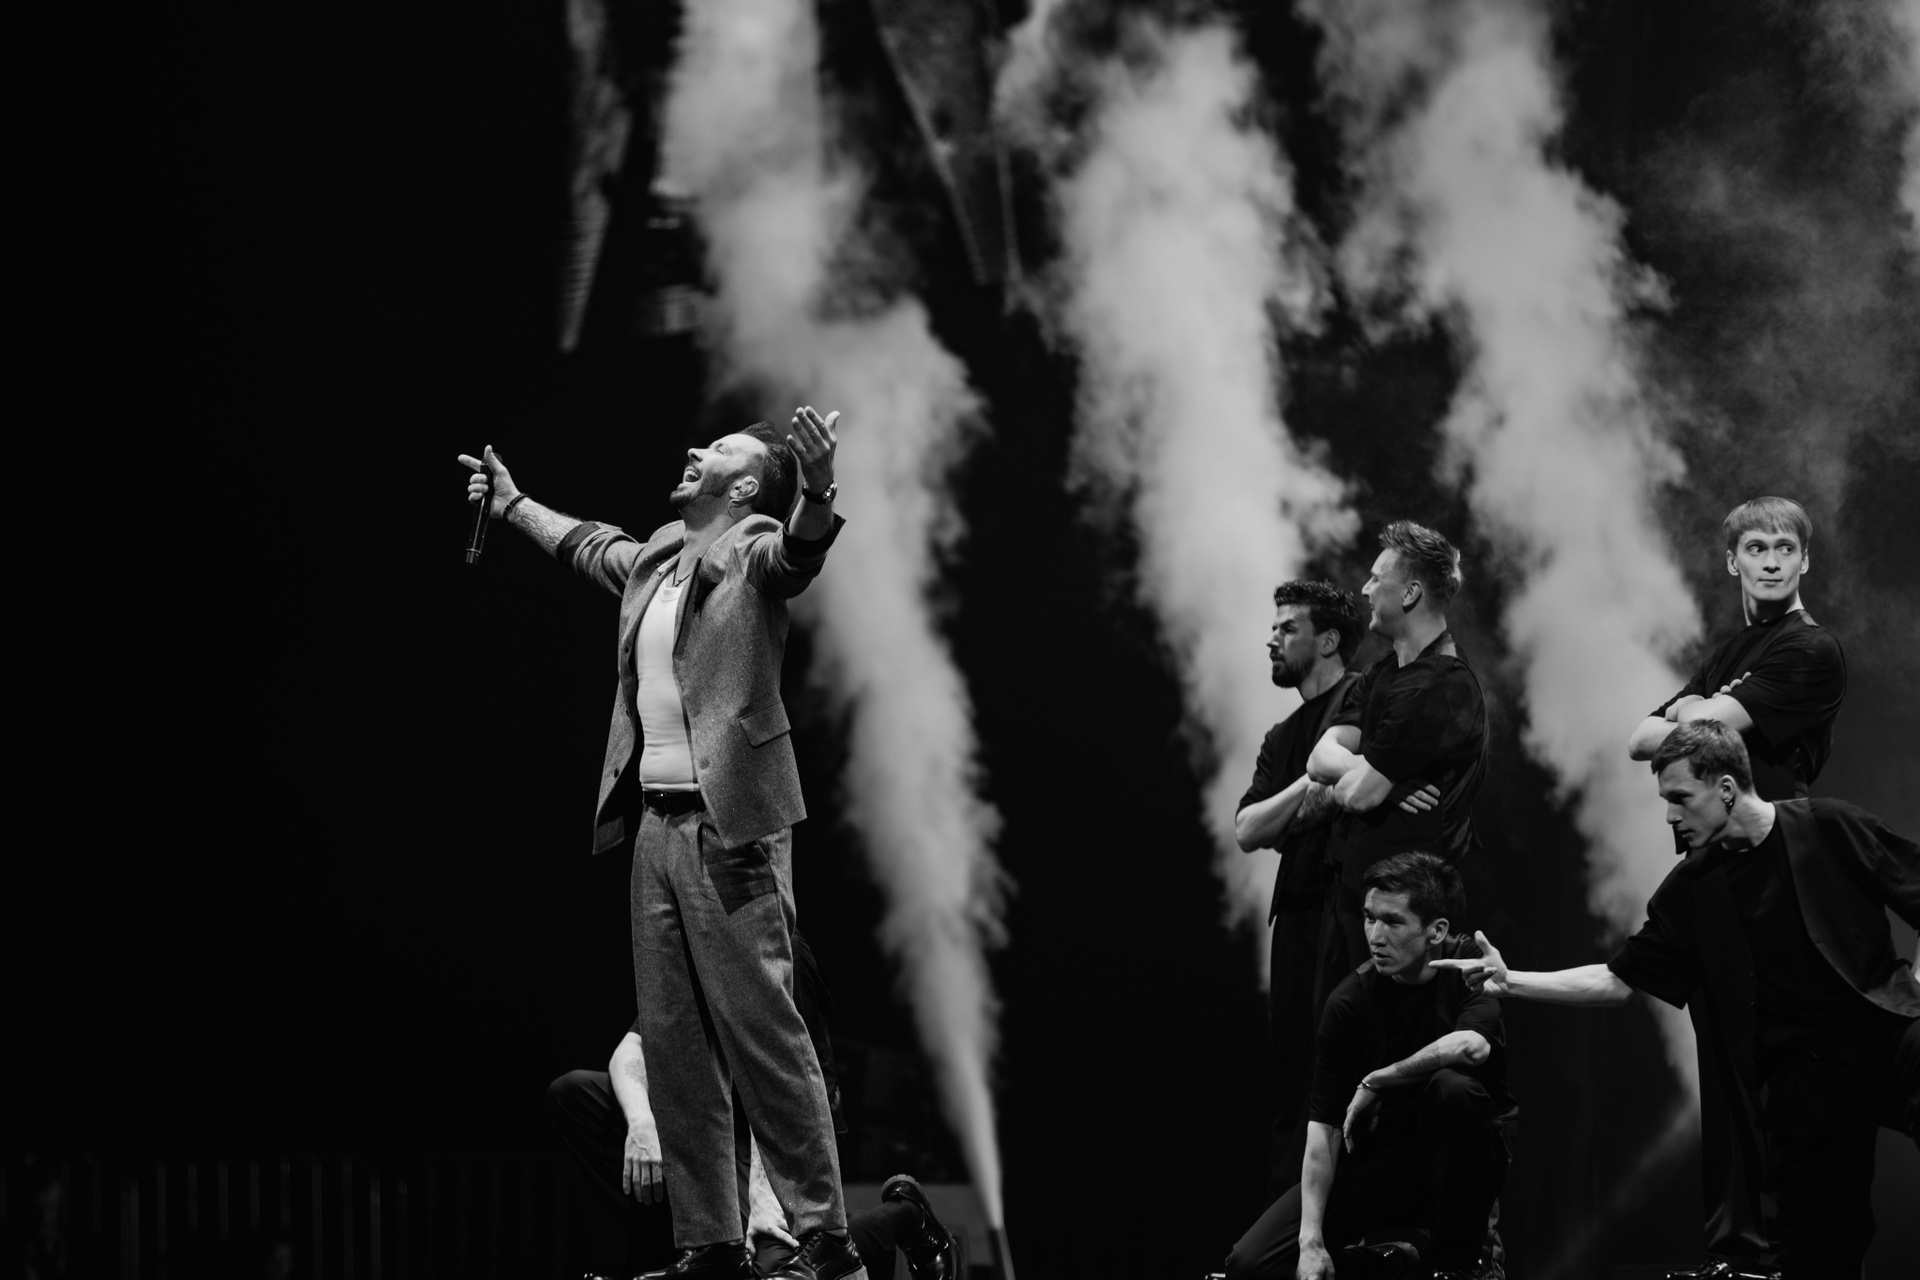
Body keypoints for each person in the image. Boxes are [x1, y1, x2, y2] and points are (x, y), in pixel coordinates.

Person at [461, 411, 859, 1280]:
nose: (693, 452)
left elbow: (799, 554)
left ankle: (826, 1238)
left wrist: (820, 487)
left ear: (744, 487)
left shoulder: (751, 547)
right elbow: (587, 545)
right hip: (655, 827)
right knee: (675, 1042)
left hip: (732, 828)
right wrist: (516, 505)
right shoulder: (658, 557)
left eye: (716, 452)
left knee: (764, 1035)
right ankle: (711, 1242)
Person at [1434, 721, 1919, 1279]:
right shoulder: (1694, 887)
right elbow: (1617, 981)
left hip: (1884, 1034)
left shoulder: (1828, 825)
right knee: (1820, 1253)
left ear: (1727, 789)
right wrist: (1511, 981)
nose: (1669, 816)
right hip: (1805, 1085)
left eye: (1680, 798)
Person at [1626, 497, 1847, 1279]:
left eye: (1785, 547)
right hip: (1715, 873)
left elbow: (1686, 732)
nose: (1772, 559)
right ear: (1733, 561)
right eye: (1757, 547)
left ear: (1805, 560)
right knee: (1722, 1069)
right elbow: (1641, 740)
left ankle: (1776, 1258)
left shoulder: (1809, 650)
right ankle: (1735, 1256)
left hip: (1774, 872)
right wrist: (1699, 714)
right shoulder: (1729, 651)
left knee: (1767, 1070)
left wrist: (1693, 714)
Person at [547, 934, 958, 1280]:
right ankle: (628, 1264)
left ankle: (906, 1216)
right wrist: (642, 1123)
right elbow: (632, 1048)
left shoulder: (783, 952)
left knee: (773, 1265)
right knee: (576, 1094)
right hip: (714, 1126)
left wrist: (766, 1202)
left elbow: (790, 1092)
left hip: (789, 1138)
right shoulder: (696, 952)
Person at [1222, 852, 1513, 1280]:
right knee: (1252, 1266)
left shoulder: (1468, 967)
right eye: (1368, 918)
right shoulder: (1349, 1003)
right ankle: (1397, 1261)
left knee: (1454, 1089)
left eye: (1392, 922)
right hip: (1381, 1163)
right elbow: (1323, 1131)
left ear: (1436, 931)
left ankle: (1466, 1262)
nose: (1375, 936)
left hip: (1458, 1165)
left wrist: (1378, 1079)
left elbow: (1472, 1047)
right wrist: (1311, 1242)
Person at [1307, 522, 1489, 971]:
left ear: (1410, 594)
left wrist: (1370, 782)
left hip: (1405, 920)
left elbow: (1356, 794)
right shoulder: (1384, 671)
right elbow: (1319, 757)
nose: (1365, 589)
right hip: (1355, 898)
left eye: (1376, 579)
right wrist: (1388, 782)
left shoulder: (1438, 684)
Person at [1235, 580, 1365, 1193]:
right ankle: (1291, 1219)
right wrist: (1308, 784)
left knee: (1340, 1061)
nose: (1272, 639)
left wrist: (1289, 812)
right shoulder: (1281, 737)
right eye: (1274, 627)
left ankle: (1345, 1214)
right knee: (1291, 1073)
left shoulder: (1360, 695)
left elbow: (1345, 791)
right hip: (1293, 915)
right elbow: (1246, 829)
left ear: (1328, 640)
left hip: (1346, 906)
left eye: (1288, 628)